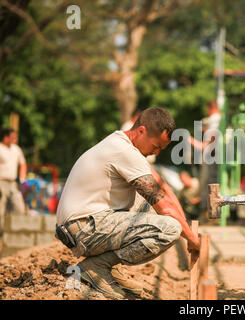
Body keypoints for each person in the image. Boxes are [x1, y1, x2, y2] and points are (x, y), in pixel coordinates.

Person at [55, 107, 200, 299]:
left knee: (151, 204)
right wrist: (192, 240)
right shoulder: (124, 151)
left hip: (87, 222)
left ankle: (107, 266)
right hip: (82, 228)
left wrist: (190, 234)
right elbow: (164, 207)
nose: (155, 152)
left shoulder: (123, 144)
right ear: (141, 131)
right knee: (170, 229)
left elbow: (165, 190)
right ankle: (97, 266)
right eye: (156, 146)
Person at [0, 128, 27, 235]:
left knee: (19, 208)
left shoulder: (16, 149)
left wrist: (22, 179)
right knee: (1, 208)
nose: (15, 140)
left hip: (13, 183)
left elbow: (23, 164)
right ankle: (1, 232)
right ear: (6, 138)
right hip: (1, 182)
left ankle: (14, 233)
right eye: (13, 137)